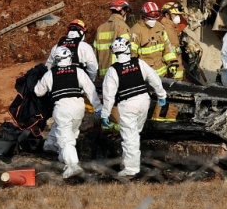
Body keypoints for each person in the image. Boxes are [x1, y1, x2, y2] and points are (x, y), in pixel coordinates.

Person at [100, 37, 167, 178]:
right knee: (134, 133)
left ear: (114, 52)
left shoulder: (113, 70)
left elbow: (108, 96)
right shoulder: (139, 63)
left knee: (130, 137)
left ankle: (131, 169)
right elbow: (154, 78)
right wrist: (161, 94)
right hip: (144, 100)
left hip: (127, 104)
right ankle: (127, 162)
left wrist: (105, 113)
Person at [34, 46, 102, 179]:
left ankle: (73, 165)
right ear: (69, 57)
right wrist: (98, 108)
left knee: (66, 140)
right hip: (78, 108)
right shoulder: (78, 71)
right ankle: (63, 159)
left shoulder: (50, 74)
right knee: (71, 134)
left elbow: (38, 91)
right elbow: (90, 89)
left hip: (62, 108)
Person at [43, 19, 98, 154]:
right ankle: (68, 150)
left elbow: (48, 67)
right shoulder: (84, 47)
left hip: (58, 88)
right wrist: (86, 82)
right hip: (76, 88)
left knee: (62, 117)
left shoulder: (57, 47)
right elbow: (93, 68)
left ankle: (50, 142)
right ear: (82, 32)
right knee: (72, 121)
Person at [128, 1, 178, 78]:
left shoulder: (160, 27)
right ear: (144, 16)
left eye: (156, 17)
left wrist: (172, 64)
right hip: (146, 76)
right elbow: (132, 55)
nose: (153, 20)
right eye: (151, 17)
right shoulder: (136, 31)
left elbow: (167, 48)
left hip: (162, 75)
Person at [93, 0, 133, 83]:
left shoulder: (100, 28)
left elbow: (95, 53)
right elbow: (128, 51)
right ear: (122, 11)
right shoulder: (122, 27)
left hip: (104, 76)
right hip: (120, 73)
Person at [159, 2, 186, 80]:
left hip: (177, 70)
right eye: (175, 15)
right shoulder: (166, 30)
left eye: (179, 15)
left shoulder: (172, 28)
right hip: (173, 73)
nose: (178, 17)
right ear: (167, 15)